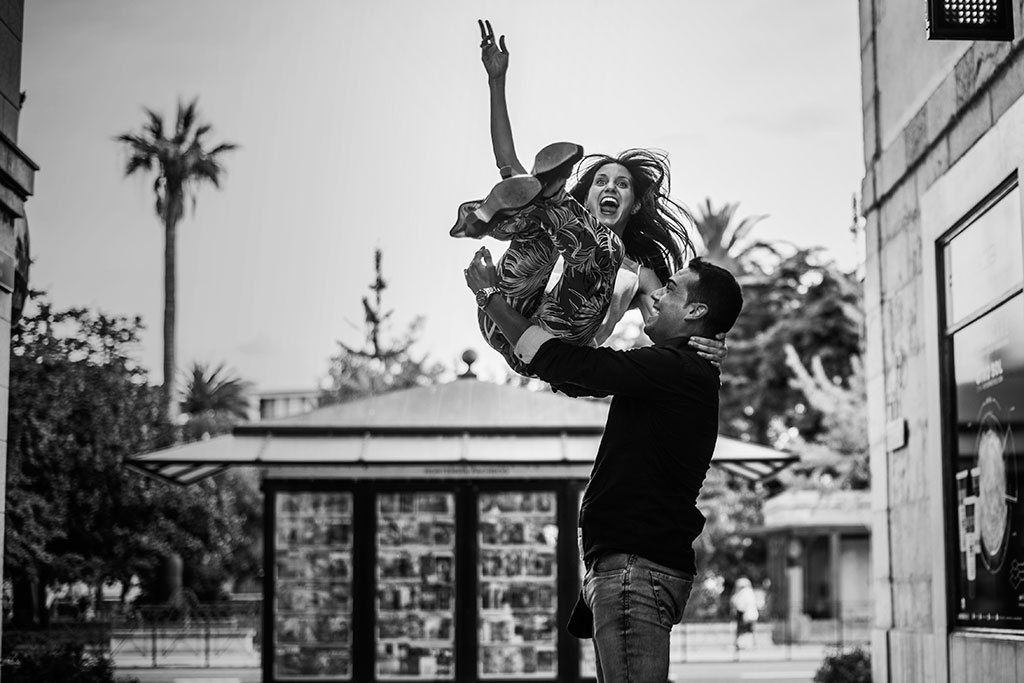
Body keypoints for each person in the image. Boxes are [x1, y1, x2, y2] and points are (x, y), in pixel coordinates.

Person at [464, 248, 744, 683]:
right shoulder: (676, 368)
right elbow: (574, 377)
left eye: (669, 290)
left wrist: (490, 297)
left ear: (696, 311)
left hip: (637, 571)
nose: (655, 299)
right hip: (628, 571)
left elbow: (577, 366)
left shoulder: (677, 368)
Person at [452, 20, 726, 374]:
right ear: (589, 192)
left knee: (607, 251)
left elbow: (667, 327)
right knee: (542, 216)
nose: (610, 188)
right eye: (601, 182)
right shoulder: (563, 221)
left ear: (637, 204)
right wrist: (496, 80)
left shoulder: (640, 277)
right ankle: (533, 201)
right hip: (504, 313)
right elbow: (508, 163)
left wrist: (708, 341)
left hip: (553, 345)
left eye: (622, 185)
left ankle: (512, 211)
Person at [729, 577, 759, 651]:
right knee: (750, 630)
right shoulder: (750, 591)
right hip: (752, 614)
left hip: (745, 614)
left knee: (744, 630)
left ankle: (744, 644)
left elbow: (739, 604)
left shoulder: (744, 592)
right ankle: (751, 644)